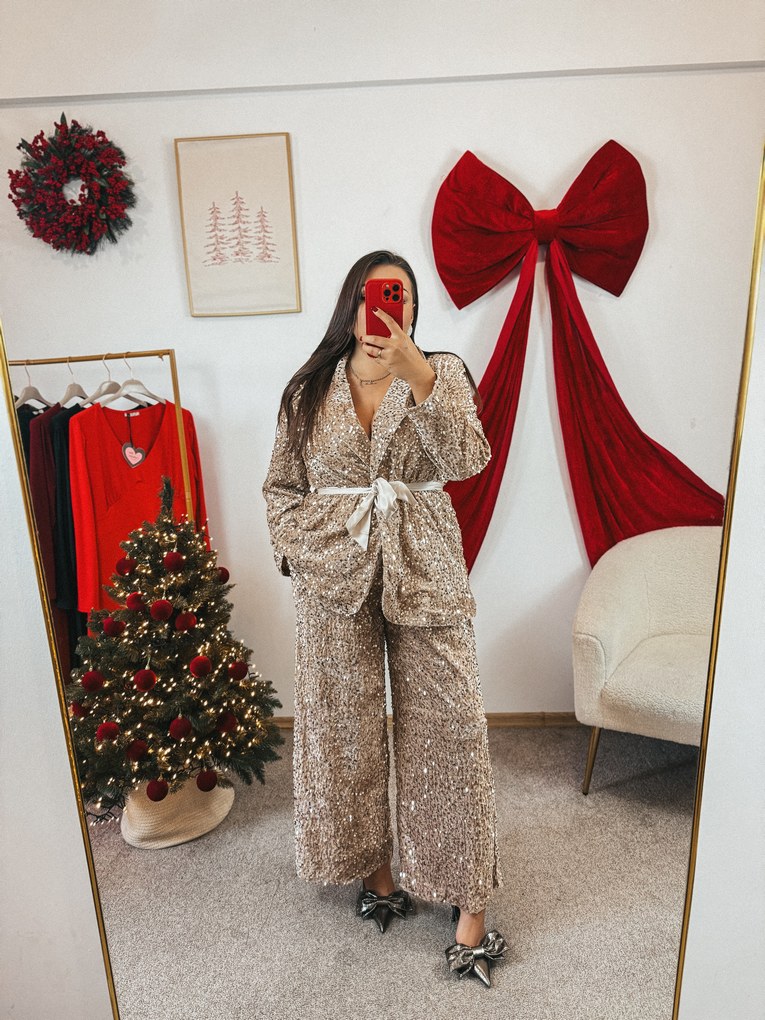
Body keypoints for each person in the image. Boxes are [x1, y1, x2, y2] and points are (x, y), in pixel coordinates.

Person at [263, 250, 507, 987]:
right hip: (334, 577)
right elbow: (281, 489)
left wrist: (417, 374)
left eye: (399, 297)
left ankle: (470, 901)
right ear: (353, 305)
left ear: (411, 308)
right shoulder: (307, 390)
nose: (387, 309)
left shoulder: (441, 372)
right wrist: (308, 553)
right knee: (345, 729)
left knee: (450, 727)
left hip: (424, 566)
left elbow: (468, 457)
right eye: (375, 297)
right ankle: (373, 871)